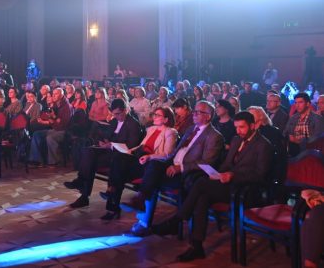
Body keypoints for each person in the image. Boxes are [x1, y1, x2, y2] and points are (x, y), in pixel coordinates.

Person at [152, 111, 273, 262]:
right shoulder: (236, 140)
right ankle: (197, 246)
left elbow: (260, 175)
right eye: (236, 127)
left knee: (201, 184)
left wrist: (233, 176)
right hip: (227, 184)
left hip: (246, 190)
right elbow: (227, 164)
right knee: (202, 197)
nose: (238, 131)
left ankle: (177, 220)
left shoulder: (263, 145)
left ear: (253, 126)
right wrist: (217, 173)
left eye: (242, 127)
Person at [124, 100, 224, 236]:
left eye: (198, 112)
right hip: (171, 165)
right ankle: (142, 209)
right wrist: (160, 159)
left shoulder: (214, 136)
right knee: (153, 166)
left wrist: (180, 168)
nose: (194, 114)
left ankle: (143, 215)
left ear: (208, 116)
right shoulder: (191, 129)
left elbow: (207, 162)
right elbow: (175, 152)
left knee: (152, 179)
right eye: (194, 111)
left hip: (187, 174)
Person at [101, 107, 178, 220]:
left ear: (166, 119)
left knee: (121, 169)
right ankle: (111, 190)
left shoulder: (170, 132)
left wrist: (149, 156)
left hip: (152, 163)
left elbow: (167, 154)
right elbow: (142, 146)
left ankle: (135, 200)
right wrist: (130, 151)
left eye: (158, 115)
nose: (154, 117)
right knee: (119, 158)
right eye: (154, 114)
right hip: (141, 159)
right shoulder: (151, 129)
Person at [64, 98, 143, 209]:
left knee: (91, 162)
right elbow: (107, 135)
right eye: (114, 114)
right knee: (89, 152)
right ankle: (82, 188)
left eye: (118, 114)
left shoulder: (133, 124)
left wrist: (111, 145)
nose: (116, 116)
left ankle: (84, 190)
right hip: (109, 152)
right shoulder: (114, 121)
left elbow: (131, 145)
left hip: (122, 156)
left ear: (125, 110)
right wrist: (103, 141)